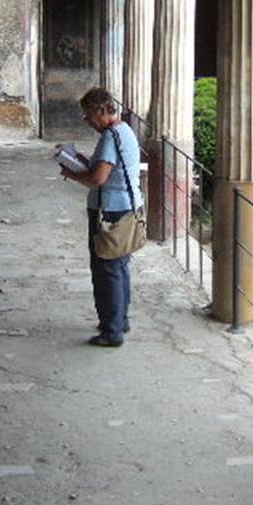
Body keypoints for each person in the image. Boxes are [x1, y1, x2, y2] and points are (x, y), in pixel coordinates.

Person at [58, 87, 143, 347]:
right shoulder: (124, 131)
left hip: (110, 210)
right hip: (127, 207)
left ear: (100, 111)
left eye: (87, 115)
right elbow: (105, 166)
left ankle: (111, 331)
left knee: (106, 270)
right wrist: (81, 159)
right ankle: (120, 320)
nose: (87, 121)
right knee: (118, 267)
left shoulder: (110, 136)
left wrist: (72, 174)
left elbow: (98, 178)